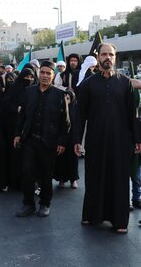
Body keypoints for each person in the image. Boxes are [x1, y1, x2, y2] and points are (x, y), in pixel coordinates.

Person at [74, 43, 141, 233]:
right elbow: (80, 115)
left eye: (111, 54)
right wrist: (77, 140)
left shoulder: (125, 83)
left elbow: (132, 114)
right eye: (104, 54)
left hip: (121, 141)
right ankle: (92, 215)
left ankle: (119, 221)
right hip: (96, 140)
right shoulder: (88, 84)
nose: (108, 58)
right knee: (95, 176)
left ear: (115, 57)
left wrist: (137, 138)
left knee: (119, 179)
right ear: (98, 57)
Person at [13, 61, 70, 218]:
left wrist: (62, 142)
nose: (45, 76)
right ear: (39, 74)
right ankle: (28, 204)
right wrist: (18, 134)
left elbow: (65, 122)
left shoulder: (60, 95)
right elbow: (22, 115)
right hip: (30, 140)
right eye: (42, 72)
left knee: (46, 175)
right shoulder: (29, 91)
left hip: (49, 142)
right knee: (27, 172)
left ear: (53, 76)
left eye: (48, 73)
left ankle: (45, 204)